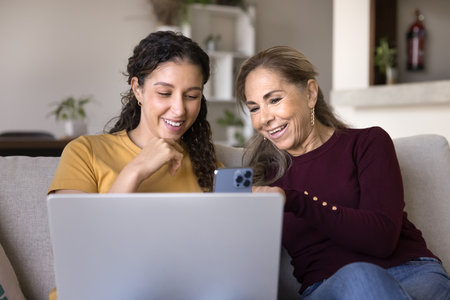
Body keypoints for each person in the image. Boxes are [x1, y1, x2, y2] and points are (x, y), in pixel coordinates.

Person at [235, 45, 450, 299]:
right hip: (328, 289)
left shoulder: (368, 143)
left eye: (274, 100)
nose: (265, 118)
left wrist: (294, 200)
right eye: (254, 108)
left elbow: (380, 240)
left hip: (413, 275)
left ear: (310, 93)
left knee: (363, 275)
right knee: (360, 277)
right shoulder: (263, 178)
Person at [47, 31, 219, 299]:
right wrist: (136, 169)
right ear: (137, 88)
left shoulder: (208, 164)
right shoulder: (85, 152)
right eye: (164, 93)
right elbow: (76, 255)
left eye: (191, 96)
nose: (179, 110)